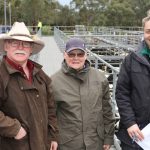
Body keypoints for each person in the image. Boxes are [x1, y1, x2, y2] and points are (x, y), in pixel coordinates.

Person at [0, 22, 59, 150]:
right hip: (15, 145)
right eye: (14, 43)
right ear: (6, 46)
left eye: (25, 44)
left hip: (42, 143)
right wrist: (15, 129)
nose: (20, 47)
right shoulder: (1, 74)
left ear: (31, 49)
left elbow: (51, 107)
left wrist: (53, 135)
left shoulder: (39, 73)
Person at [51, 38, 115, 150]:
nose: (76, 58)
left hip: (95, 142)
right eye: (71, 54)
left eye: (80, 54)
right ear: (65, 55)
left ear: (86, 55)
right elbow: (50, 115)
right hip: (68, 143)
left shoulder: (100, 78)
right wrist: (52, 138)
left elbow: (107, 111)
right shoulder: (54, 81)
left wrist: (108, 137)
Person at [115, 12, 150, 150]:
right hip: (136, 132)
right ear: (143, 32)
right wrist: (130, 122)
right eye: (148, 31)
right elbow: (121, 93)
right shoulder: (131, 60)